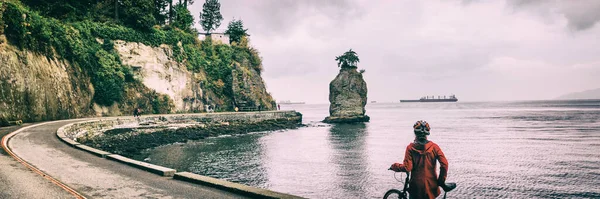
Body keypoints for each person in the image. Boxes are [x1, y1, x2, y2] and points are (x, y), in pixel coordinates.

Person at [390, 120, 449, 199]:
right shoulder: (434, 147)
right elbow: (444, 164)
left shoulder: (410, 148)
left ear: (415, 133)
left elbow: (407, 167)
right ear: (427, 134)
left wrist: (395, 166)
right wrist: (441, 181)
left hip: (416, 187)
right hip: (431, 186)